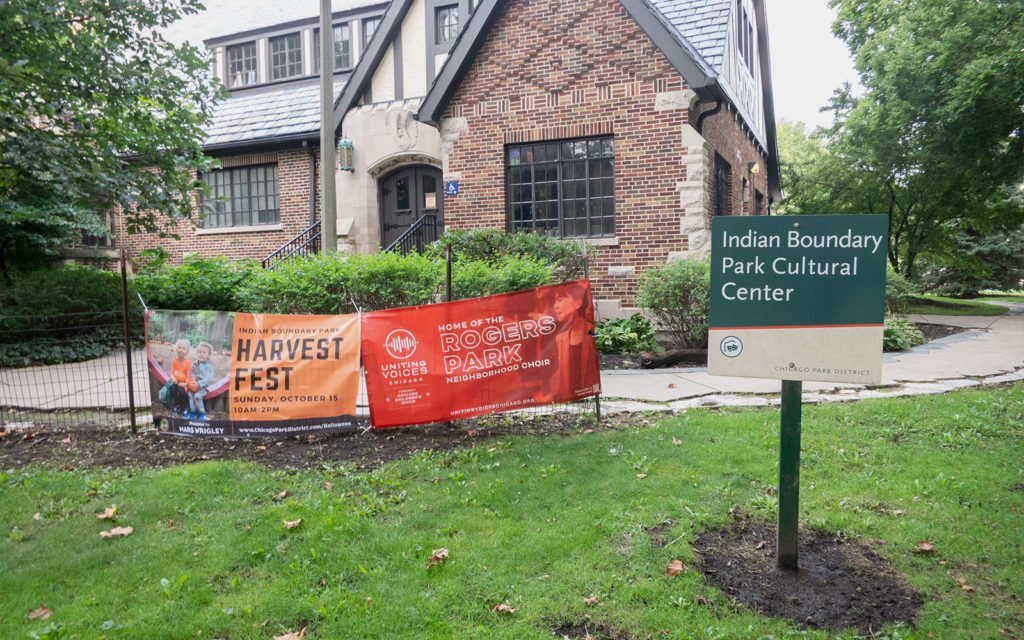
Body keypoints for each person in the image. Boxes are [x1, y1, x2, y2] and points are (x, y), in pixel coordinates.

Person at [187, 341, 214, 421]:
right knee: (190, 394)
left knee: (197, 396)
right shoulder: (195, 363)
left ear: (208, 355)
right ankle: (193, 411)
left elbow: (208, 378)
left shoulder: (208, 366)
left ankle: (202, 413)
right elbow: (192, 372)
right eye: (199, 352)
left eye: (204, 353)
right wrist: (193, 378)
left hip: (203, 387)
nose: (201, 354)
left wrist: (199, 384)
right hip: (194, 384)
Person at [169, 339, 191, 416]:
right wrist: (173, 377)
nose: (181, 350)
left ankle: (185, 407)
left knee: (182, 391)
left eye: (183, 348)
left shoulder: (188, 362)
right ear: (176, 349)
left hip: (184, 384)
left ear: (187, 351)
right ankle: (176, 404)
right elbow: (172, 373)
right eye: (179, 347)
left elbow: (188, 375)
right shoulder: (174, 361)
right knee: (172, 388)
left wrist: (185, 384)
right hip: (176, 382)